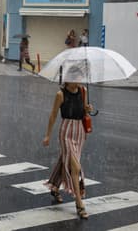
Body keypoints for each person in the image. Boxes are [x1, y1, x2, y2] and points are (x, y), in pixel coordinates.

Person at [42, 67, 93, 220]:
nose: (78, 81)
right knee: (75, 167)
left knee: (66, 160)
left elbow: (84, 112)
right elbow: (53, 115)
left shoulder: (83, 91)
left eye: (80, 77)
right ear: (68, 79)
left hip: (79, 132)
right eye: (75, 78)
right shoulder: (60, 94)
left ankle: (55, 187)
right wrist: (48, 135)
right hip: (66, 132)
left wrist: (88, 109)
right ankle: (79, 204)